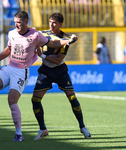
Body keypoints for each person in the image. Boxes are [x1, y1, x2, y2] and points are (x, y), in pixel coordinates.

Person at [0, 11, 76, 142]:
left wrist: (68, 41)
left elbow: (53, 44)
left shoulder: (35, 35)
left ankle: (18, 134)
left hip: (22, 71)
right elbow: (9, 49)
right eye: (15, 22)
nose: (17, 25)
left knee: (12, 100)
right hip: (10, 67)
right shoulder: (12, 33)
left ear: (26, 22)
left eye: (19, 23)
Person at [31, 12, 91, 140]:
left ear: (60, 24)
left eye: (54, 23)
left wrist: (41, 55)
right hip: (46, 71)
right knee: (35, 99)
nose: (51, 25)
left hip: (60, 71)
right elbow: (35, 40)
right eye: (50, 22)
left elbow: (58, 60)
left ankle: (82, 127)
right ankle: (42, 129)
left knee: (72, 97)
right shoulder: (44, 34)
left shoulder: (65, 38)